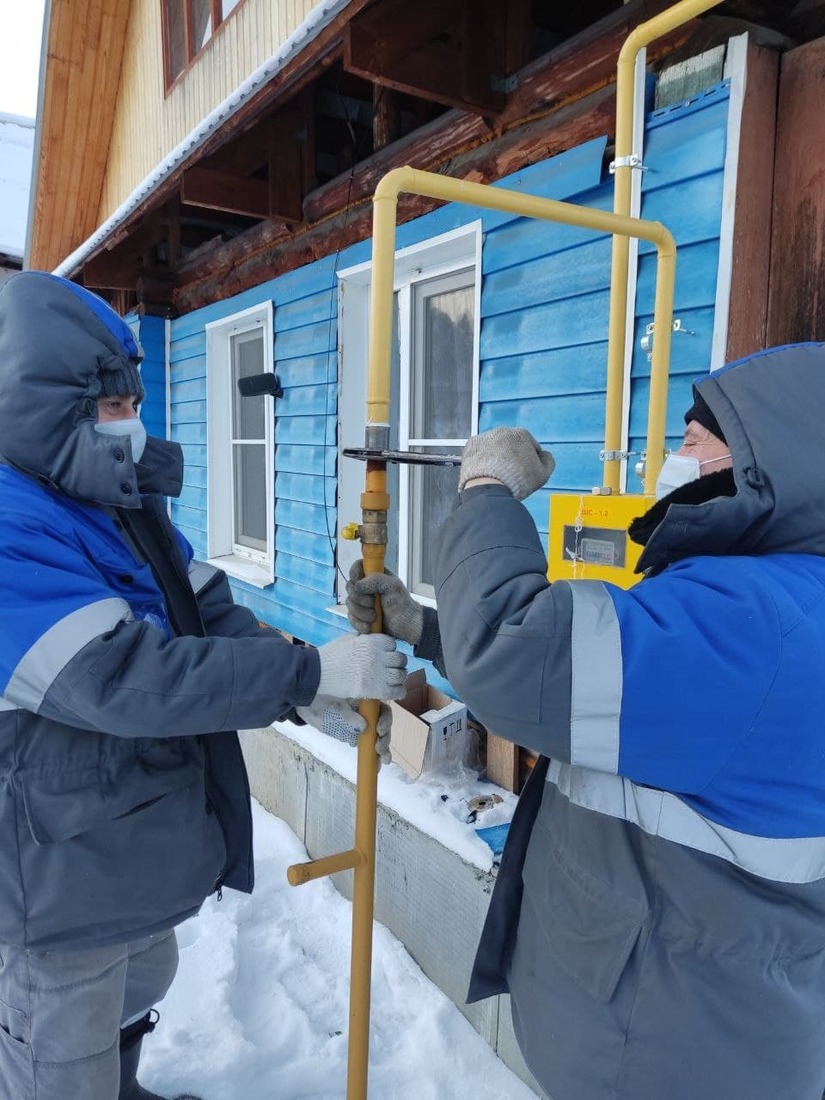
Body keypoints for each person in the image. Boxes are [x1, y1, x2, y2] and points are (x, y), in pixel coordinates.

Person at [347, 342, 825, 1100]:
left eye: (694, 441)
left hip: (670, 1048)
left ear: (766, 462)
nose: (672, 457)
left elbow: (516, 656)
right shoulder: (786, 603)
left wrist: (485, 491)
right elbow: (601, 701)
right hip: (703, 1021)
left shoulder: (757, 624)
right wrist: (429, 630)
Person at [0, 271, 405, 1100]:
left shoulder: (110, 493)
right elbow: (114, 678)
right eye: (108, 406)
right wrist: (301, 672)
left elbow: (201, 602)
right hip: (53, 857)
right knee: (59, 1044)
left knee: (141, 977)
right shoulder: (11, 518)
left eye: (129, 401)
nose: (128, 421)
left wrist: (304, 685)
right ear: (41, 406)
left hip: (123, 827)